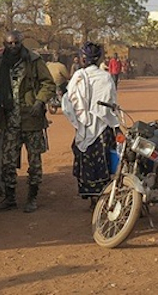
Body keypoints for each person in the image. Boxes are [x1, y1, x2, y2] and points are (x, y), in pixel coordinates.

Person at [0, 30, 56, 213]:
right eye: (9, 43)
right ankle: (9, 198)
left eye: (16, 43)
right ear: (5, 43)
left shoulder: (33, 60)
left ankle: (32, 197)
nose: (13, 47)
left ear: (22, 42)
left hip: (31, 120)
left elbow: (48, 83)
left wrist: (40, 101)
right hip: (9, 120)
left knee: (34, 162)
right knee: (7, 162)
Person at [62, 42, 120, 208]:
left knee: (85, 159)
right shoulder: (106, 77)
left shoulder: (79, 76)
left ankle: (92, 197)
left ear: (83, 58)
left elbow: (69, 102)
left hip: (84, 127)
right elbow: (111, 103)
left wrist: (79, 120)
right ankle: (102, 195)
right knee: (104, 160)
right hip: (103, 126)